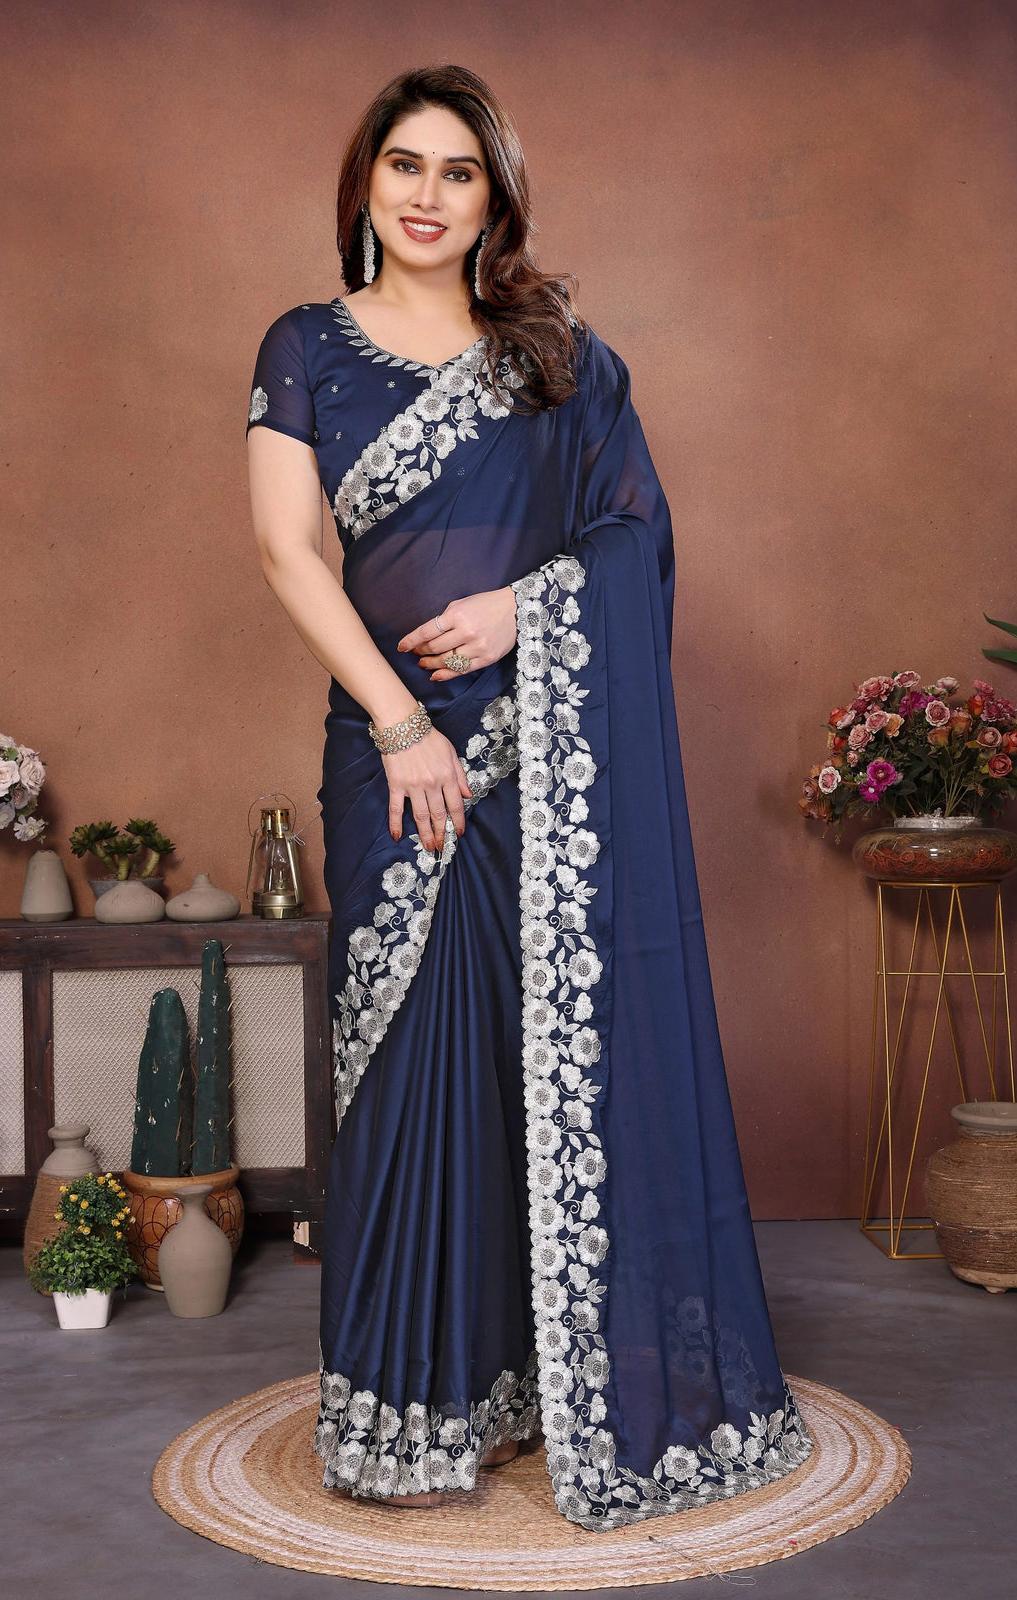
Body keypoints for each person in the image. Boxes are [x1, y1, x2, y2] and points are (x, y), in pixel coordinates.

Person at [246, 63, 813, 1532]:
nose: (428, 195)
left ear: (493, 198)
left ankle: (535, 1379)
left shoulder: (553, 354)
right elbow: (289, 553)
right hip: (394, 758)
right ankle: (406, 1404)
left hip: (542, 755)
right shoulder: (306, 344)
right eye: (405, 166)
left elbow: (635, 534)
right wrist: (398, 727)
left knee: (529, 1063)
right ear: (363, 182)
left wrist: (525, 612)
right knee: (411, 1060)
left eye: (459, 172)